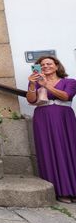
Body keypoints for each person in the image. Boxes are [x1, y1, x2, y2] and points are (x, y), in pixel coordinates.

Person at [26, 55, 76, 203]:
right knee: (48, 150)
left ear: (56, 65)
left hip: (63, 118)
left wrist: (46, 85)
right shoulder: (36, 82)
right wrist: (31, 84)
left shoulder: (70, 81)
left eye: (49, 63)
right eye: (42, 65)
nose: (46, 66)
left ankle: (72, 188)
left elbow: (66, 96)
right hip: (43, 118)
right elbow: (31, 99)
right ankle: (59, 191)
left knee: (69, 149)